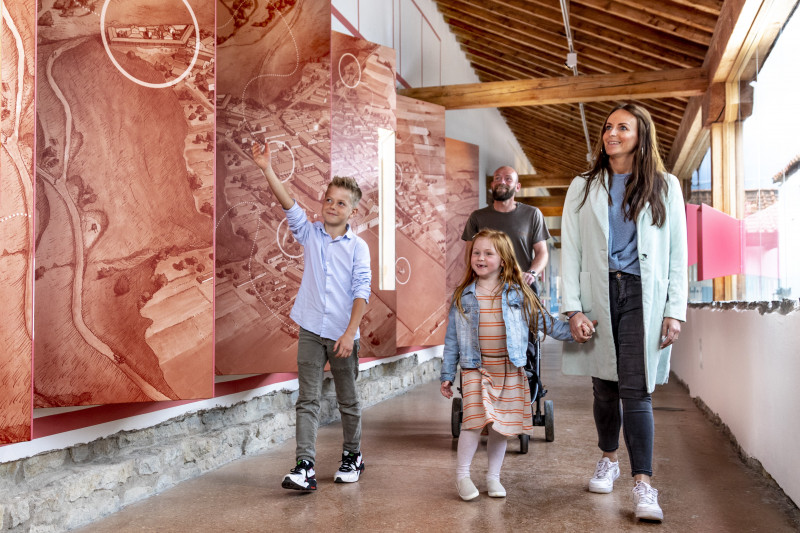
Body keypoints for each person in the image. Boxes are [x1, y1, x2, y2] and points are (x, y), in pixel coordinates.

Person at [560, 103, 688, 521]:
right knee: (604, 387)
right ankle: (608, 458)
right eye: (608, 127)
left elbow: (677, 253)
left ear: (641, 136)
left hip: (642, 294)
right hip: (598, 292)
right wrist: (572, 308)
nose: (611, 133)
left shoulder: (665, 186)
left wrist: (674, 310)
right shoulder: (583, 186)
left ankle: (644, 485)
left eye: (623, 128)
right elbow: (571, 249)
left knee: (637, 387)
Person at [251, 142, 371, 491]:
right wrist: (266, 168)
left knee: (348, 400)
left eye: (341, 203)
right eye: (329, 199)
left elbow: (361, 292)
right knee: (307, 399)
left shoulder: (358, 247)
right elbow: (288, 204)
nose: (332, 206)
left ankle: (353, 456)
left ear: (352, 212)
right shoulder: (310, 234)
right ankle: (304, 466)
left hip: (343, 334)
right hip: (310, 330)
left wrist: (349, 333)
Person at [440, 229, 589, 501]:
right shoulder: (463, 296)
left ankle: (493, 477)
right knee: (472, 423)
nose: (480, 258)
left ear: (504, 260)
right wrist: (447, 373)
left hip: (508, 369)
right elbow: (452, 339)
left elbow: (546, 323)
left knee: (501, 427)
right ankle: (462, 476)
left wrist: (575, 331)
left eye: (488, 253)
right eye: (476, 253)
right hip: (475, 369)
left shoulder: (518, 294)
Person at [462, 166, 550, 291]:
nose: (502, 182)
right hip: (488, 290)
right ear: (492, 185)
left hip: (522, 288)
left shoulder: (532, 214)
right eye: (497, 178)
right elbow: (469, 254)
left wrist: (531, 273)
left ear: (517, 187)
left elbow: (542, 252)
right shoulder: (477, 217)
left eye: (508, 179)